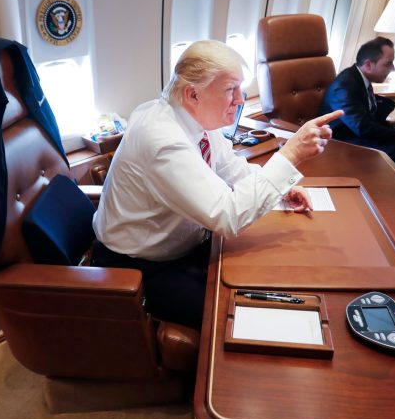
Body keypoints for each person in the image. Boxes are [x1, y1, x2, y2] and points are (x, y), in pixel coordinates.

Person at [91, 40, 343, 330]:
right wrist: (290, 155)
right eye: (229, 90)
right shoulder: (162, 140)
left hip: (187, 244)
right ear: (193, 94)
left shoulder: (191, 118)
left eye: (239, 89)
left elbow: (230, 167)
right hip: (143, 265)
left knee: (265, 274)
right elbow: (226, 216)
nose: (239, 99)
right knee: (236, 316)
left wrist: (282, 188)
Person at [317, 37, 395, 192]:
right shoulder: (344, 86)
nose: (392, 68)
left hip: (355, 134)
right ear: (367, 65)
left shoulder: (361, 79)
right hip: (340, 141)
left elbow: (367, 118)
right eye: (387, 63)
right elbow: (362, 126)